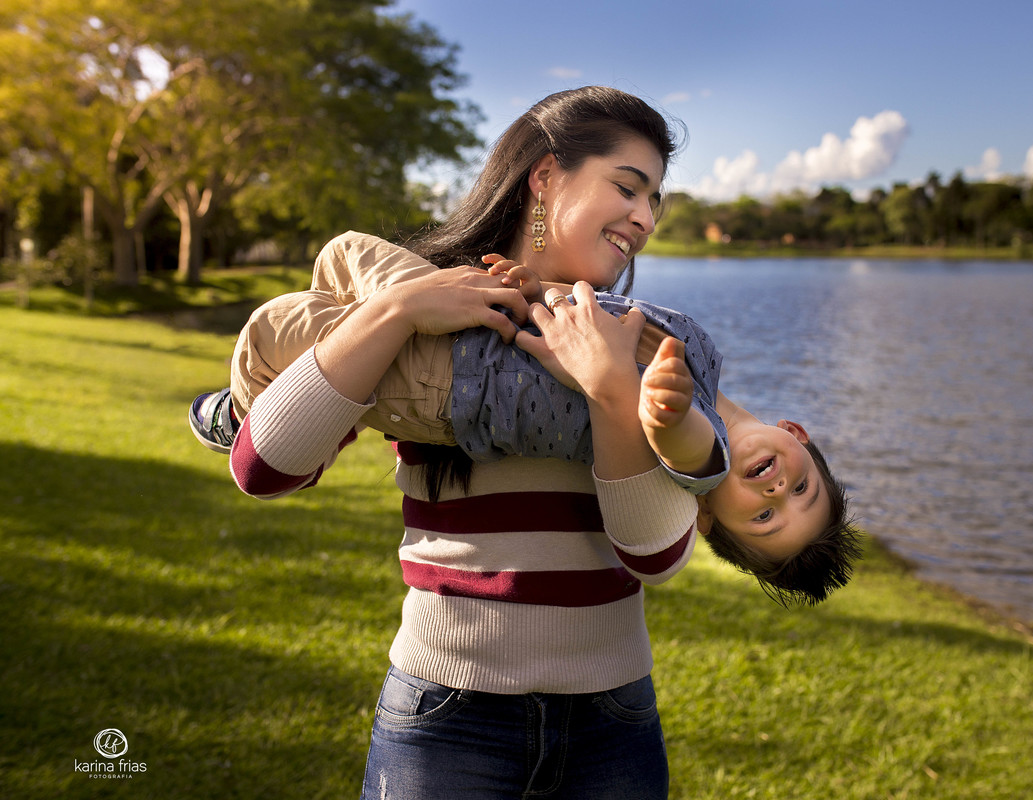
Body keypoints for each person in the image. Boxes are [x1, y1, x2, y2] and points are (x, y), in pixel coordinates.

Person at [221, 86, 696, 800]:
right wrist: (398, 308)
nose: (644, 216)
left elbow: (656, 557)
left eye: (655, 200)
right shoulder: (424, 308)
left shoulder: (637, 338)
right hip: (446, 717)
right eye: (628, 187)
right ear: (545, 175)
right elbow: (265, 468)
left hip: (613, 722)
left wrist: (609, 390)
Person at [192, 230, 860, 605]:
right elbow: (588, 312)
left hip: (454, 387)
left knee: (273, 327)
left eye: (766, 518)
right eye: (801, 491)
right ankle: (333, 399)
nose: (777, 492)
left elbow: (688, 446)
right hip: (486, 324)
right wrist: (534, 286)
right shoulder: (704, 352)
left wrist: (655, 403)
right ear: (797, 433)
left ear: (709, 517)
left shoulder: (696, 451)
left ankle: (246, 410)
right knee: (343, 254)